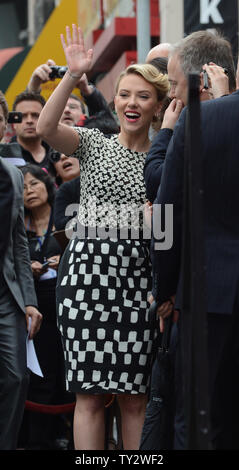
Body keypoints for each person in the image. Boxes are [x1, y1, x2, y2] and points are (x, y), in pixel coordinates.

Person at [36, 24, 169, 450]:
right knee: (88, 396)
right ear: (115, 100)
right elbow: (45, 128)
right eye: (126, 94)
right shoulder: (94, 142)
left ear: (158, 107)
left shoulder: (166, 157)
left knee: (135, 397)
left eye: (143, 96)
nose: (132, 102)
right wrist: (73, 76)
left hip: (139, 288)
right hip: (85, 285)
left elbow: (167, 228)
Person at [144, 29, 236, 204]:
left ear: (203, 81)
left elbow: (156, 181)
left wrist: (166, 130)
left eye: (174, 84)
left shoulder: (191, 121)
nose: (171, 94)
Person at [0, 91, 42, 450]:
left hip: (6, 295)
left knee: (15, 379)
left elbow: (19, 242)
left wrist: (29, 300)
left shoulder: (13, 177)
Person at [19, 163, 72, 449]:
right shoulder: (18, 224)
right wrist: (28, 267)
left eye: (34, 183)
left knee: (68, 373)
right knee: (40, 376)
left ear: (47, 185)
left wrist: (61, 262)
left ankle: (68, 438)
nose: (29, 191)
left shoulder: (63, 217)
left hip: (65, 305)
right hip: (33, 312)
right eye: (24, 187)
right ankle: (39, 441)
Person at [10, 91, 55, 175]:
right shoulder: (4, 158)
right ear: (14, 124)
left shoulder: (59, 155)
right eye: (23, 116)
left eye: (35, 115)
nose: (29, 121)